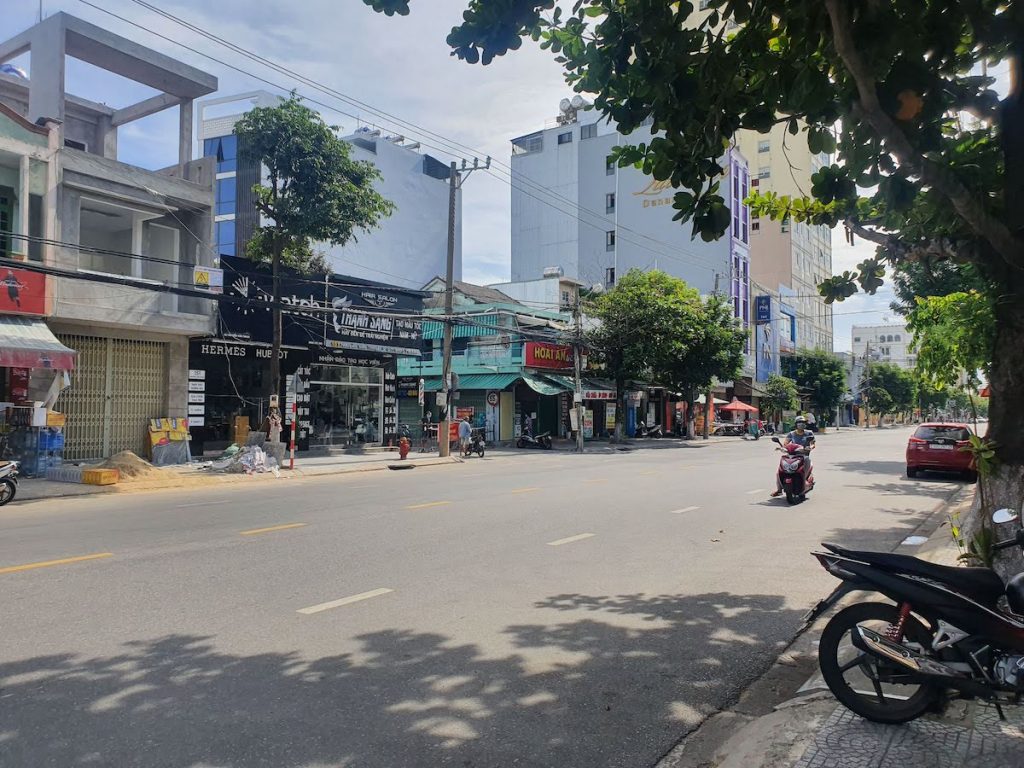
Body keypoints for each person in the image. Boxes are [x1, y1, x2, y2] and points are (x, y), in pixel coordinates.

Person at [771, 416, 815, 497]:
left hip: (804, 456)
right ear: (796, 424)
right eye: (799, 423)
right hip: (792, 455)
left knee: (804, 468)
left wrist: (810, 447)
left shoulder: (809, 433)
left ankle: (804, 482)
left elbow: (813, 444)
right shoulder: (791, 434)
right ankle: (779, 490)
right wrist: (782, 448)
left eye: (803, 423)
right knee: (779, 472)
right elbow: (786, 443)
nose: (801, 424)